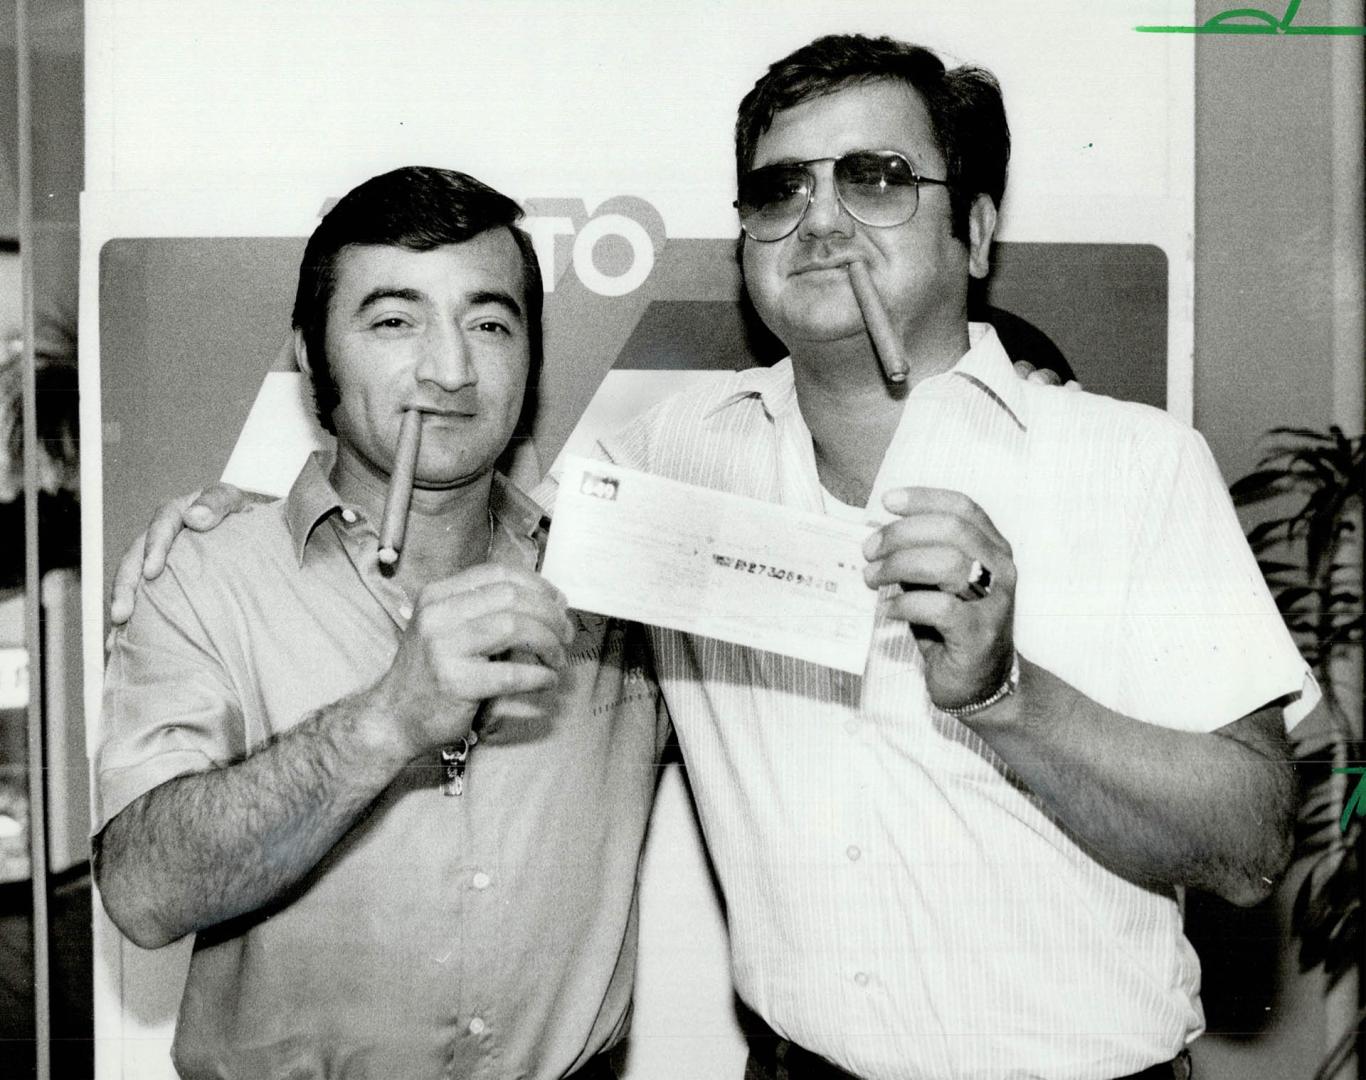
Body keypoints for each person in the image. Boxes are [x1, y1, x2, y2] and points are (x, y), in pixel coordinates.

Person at [112, 35, 1312, 1080]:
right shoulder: (657, 485)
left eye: (878, 177)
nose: (822, 218)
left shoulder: (1132, 464)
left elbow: (1253, 842)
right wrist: (248, 507)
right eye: (779, 188)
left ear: (978, 228)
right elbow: (420, 476)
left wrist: (1006, 693)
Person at [93, 166, 667, 1080]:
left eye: (489, 322)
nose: (449, 369)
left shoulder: (616, 583)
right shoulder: (204, 572)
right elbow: (142, 892)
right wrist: (386, 719)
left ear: (532, 358)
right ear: (312, 356)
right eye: (395, 321)